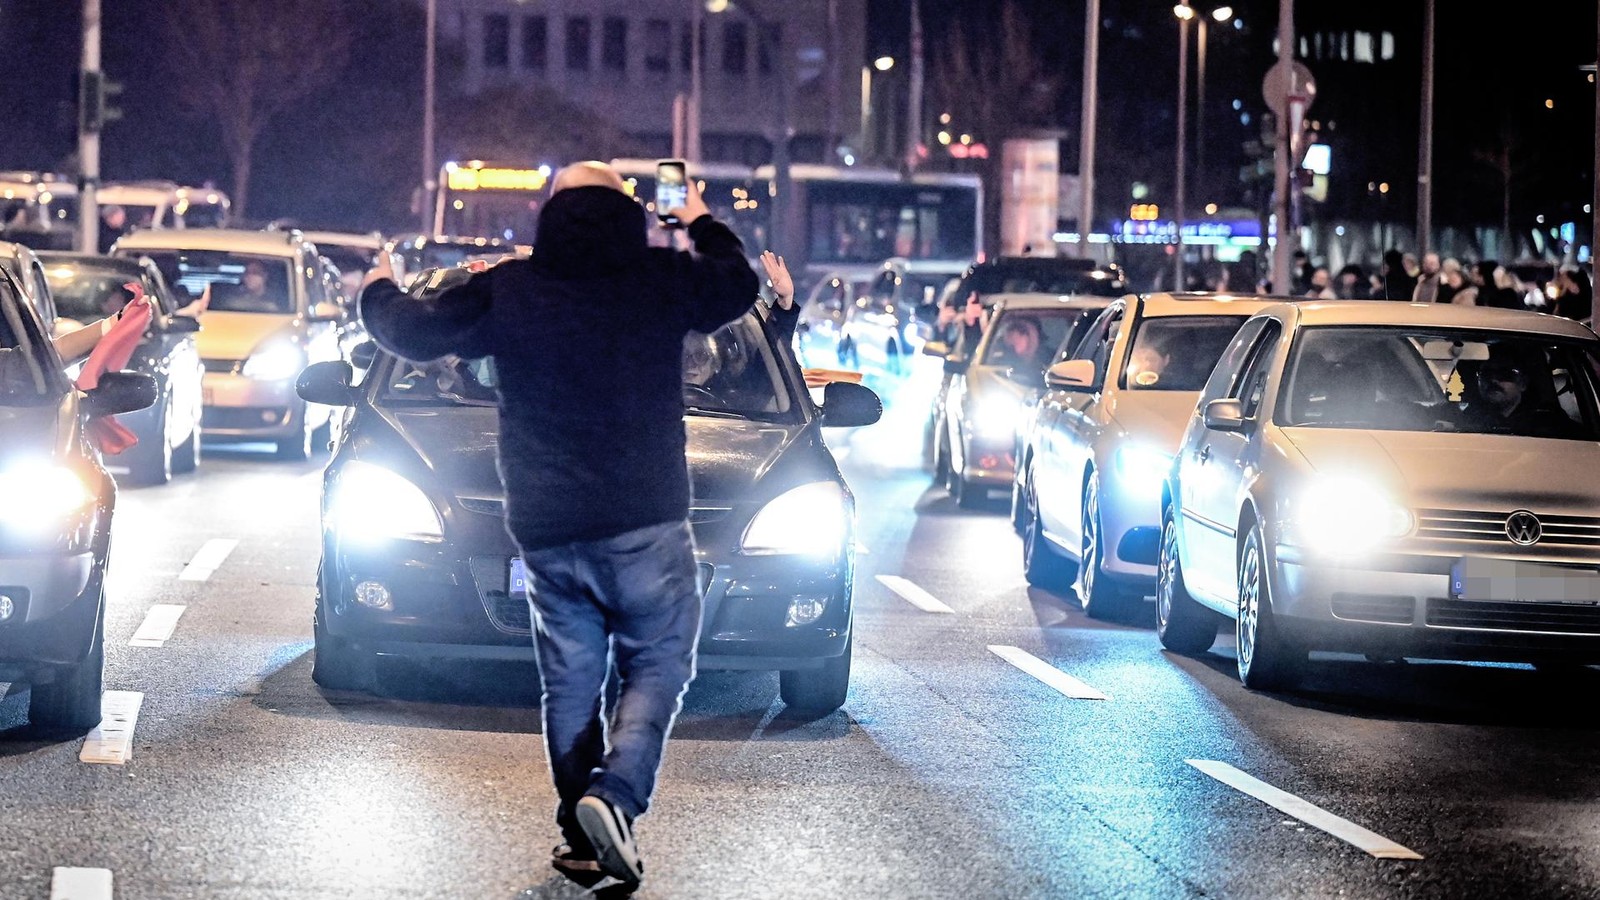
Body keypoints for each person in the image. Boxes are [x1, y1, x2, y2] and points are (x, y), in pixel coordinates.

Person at [358, 161, 756, 890]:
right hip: (645, 518)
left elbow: (412, 334)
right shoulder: (661, 280)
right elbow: (738, 284)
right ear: (629, 210)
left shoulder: (512, 289)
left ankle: (581, 834)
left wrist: (379, 286)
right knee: (658, 660)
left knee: (571, 680)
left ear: (550, 212)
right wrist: (697, 216)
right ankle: (616, 793)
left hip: (548, 525)